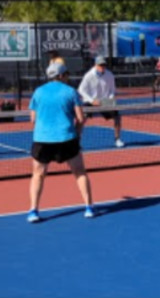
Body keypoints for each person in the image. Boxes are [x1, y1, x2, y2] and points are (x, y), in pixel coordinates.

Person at [27, 63, 95, 223]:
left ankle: (33, 211)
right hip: (67, 138)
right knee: (79, 173)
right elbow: (81, 118)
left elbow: (32, 120)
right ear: (61, 76)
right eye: (66, 74)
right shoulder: (71, 92)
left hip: (42, 140)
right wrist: (77, 136)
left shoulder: (38, 92)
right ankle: (89, 208)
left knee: (38, 175)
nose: (67, 77)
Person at [78, 55, 124, 148]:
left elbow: (112, 90)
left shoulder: (110, 75)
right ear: (95, 65)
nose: (102, 67)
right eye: (100, 65)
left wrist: (110, 99)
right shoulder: (88, 76)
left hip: (105, 101)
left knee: (117, 117)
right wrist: (92, 100)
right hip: (91, 101)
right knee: (81, 118)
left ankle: (117, 139)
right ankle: (77, 142)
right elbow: (81, 90)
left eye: (104, 65)